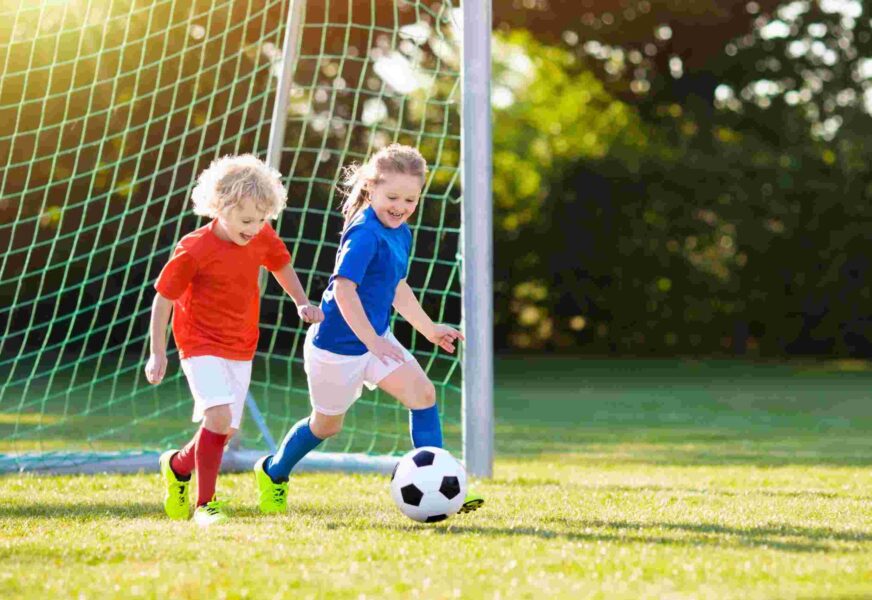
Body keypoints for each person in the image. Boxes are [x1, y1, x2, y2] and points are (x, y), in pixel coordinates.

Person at [253, 143, 483, 515]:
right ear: (371, 189)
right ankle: (274, 472)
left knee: (424, 395)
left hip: (375, 340)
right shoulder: (364, 232)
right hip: (337, 348)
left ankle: (444, 488)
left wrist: (428, 329)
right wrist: (372, 341)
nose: (400, 206)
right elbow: (344, 290)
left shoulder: (400, 231)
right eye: (392, 196)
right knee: (326, 426)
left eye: (410, 199)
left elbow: (397, 287)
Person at [144, 154, 323, 526]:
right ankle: (205, 505)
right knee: (219, 417)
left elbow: (279, 264)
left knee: (225, 430)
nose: (255, 228)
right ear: (220, 208)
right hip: (198, 342)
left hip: (241, 344)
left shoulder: (261, 235)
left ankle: (177, 466)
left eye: (261, 219)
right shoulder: (194, 249)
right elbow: (163, 299)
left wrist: (302, 301)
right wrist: (157, 354)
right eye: (246, 220)